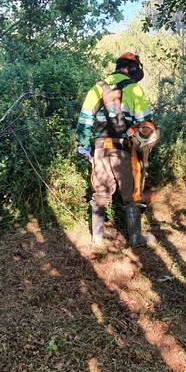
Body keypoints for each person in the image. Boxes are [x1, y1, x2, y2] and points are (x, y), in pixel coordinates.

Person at [76, 52, 156, 247]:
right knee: (132, 196)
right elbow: (146, 124)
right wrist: (143, 150)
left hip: (101, 149)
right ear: (133, 69)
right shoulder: (135, 90)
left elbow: (84, 120)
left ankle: (97, 238)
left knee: (100, 193)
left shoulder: (97, 88)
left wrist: (85, 146)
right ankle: (136, 238)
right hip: (125, 151)